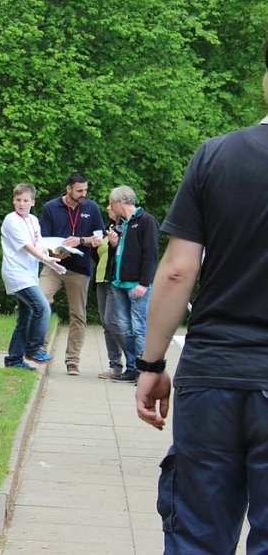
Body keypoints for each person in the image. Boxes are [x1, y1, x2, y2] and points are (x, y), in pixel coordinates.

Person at [136, 39, 268, 553]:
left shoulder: (216, 155)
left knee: (196, 537)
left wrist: (150, 363)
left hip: (212, 374)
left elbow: (176, 271)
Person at [39, 172, 105, 375]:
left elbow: (99, 236)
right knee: (40, 302)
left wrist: (81, 241)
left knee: (78, 315)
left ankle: (72, 361)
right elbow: (42, 239)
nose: (83, 194)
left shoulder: (91, 208)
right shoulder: (51, 207)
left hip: (79, 268)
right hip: (54, 265)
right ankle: (40, 348)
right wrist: (57, 252)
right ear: (68, 189)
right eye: (79, 190)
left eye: (85, 190)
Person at [1, 183, 65, 371]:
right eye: (18, 200)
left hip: (29, 273)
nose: (21, 204)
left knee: (25, 316)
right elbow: (27, 246)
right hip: (16, 274)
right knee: (42, 307)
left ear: (32, 202)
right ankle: (34, 348)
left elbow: (38, 244)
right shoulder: (11, 220)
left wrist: (52, 260)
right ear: (13, 201)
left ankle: (14, 359)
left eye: (25, 200)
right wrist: (46, 259)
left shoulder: (34, 220)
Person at [104, 186, 159, 384]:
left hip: (137, 284)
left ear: (121, 203)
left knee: (139, 327)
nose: (110, 207)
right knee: (124, 327)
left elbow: (151, 254)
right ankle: (132, 367)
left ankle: (144, 371)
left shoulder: (146, 221)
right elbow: (122, 253)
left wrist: (144, 283)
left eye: (112, 203)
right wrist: (114, 243)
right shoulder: (124, 224)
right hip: (119, 282)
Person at [94, 203, 124, 379]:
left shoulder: (124, 228)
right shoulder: (109, 228)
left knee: (114, 322)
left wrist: (115, 244)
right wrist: (94, 245)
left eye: (111, 205)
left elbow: (122, 252)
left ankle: (135, 361)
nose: (107, 208)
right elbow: (100, 255)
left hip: (115, 280)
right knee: (106, 324)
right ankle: (115, 366)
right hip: (101, 279)